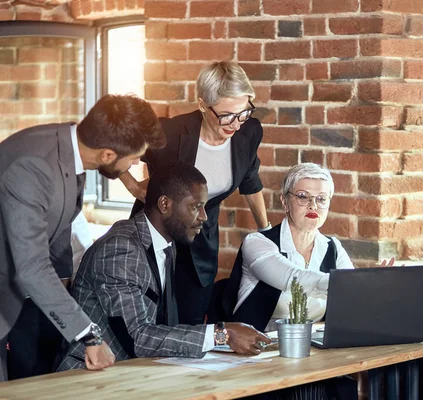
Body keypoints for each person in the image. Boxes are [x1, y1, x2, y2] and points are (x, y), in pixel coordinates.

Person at [0, 94, 165, 381]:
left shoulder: (69, 150)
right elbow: (32, 267)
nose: (137, 162)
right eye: (135, 156)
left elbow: (59, 229)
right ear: (108, 155)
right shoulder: (33, 167)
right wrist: (89, 335)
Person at [56, 162, 270, 371]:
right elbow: (138, 337)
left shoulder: (166, 243)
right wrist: (223, 334)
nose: (204, 217)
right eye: (196, 207)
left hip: (133, 373)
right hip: (87, 376)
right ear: (165, 204)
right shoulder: (121, 249)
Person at [120, 61, 269, 326]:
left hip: (201, 242)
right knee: (143, 323)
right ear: (202, 105)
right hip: (152, 238)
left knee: (190, 322)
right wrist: (132, 185)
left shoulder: (249, 132)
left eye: (243, 112)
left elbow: (250, 179)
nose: (235, 124)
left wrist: (267, 233)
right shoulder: (171, 133)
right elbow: (114, 142)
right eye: (226, 115)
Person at [221, 163, 353, 333]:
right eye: (303, 196)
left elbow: (352, 296)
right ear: (284, 201)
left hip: (314, 348)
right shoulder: (257, 242)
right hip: (257, 349)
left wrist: (378, 285)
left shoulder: (333, 247)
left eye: (321, 199)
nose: (313, 205)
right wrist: (347, 283)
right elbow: (293, 278)